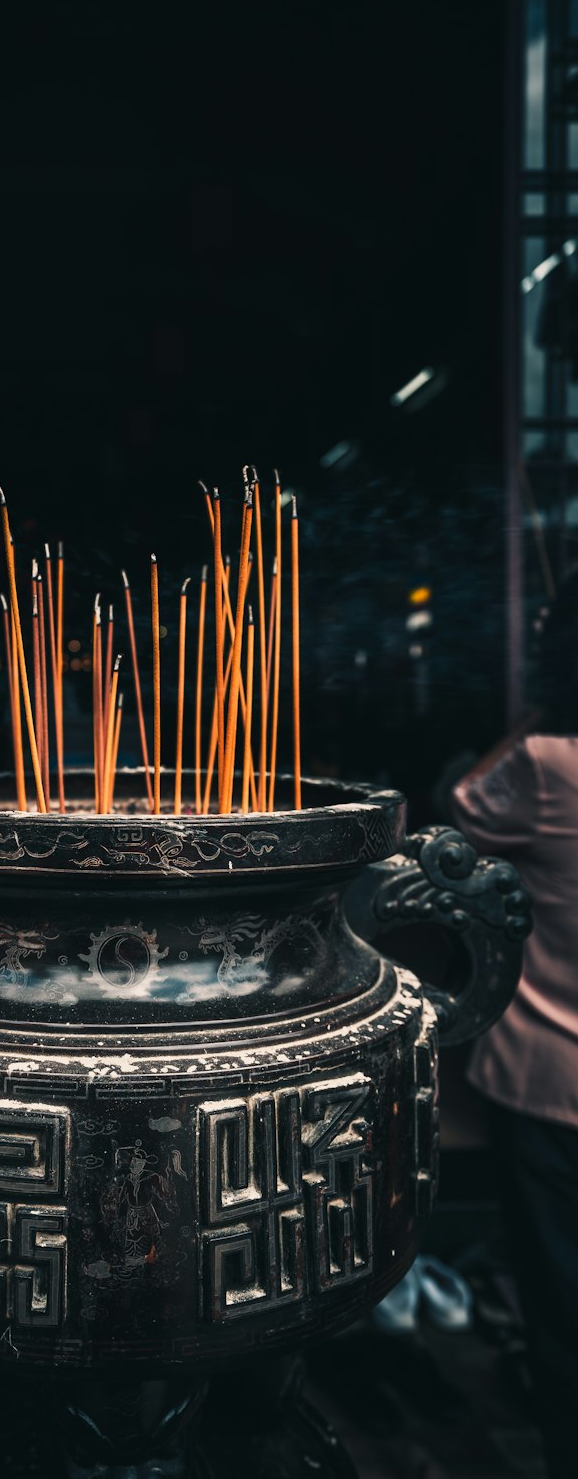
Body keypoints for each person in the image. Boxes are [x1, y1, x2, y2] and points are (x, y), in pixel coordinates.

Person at [451, 570, 578, 1479]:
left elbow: (457, 819)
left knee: (564, 1313)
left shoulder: (545, 767)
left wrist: (538, 712)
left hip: (550, 1079)